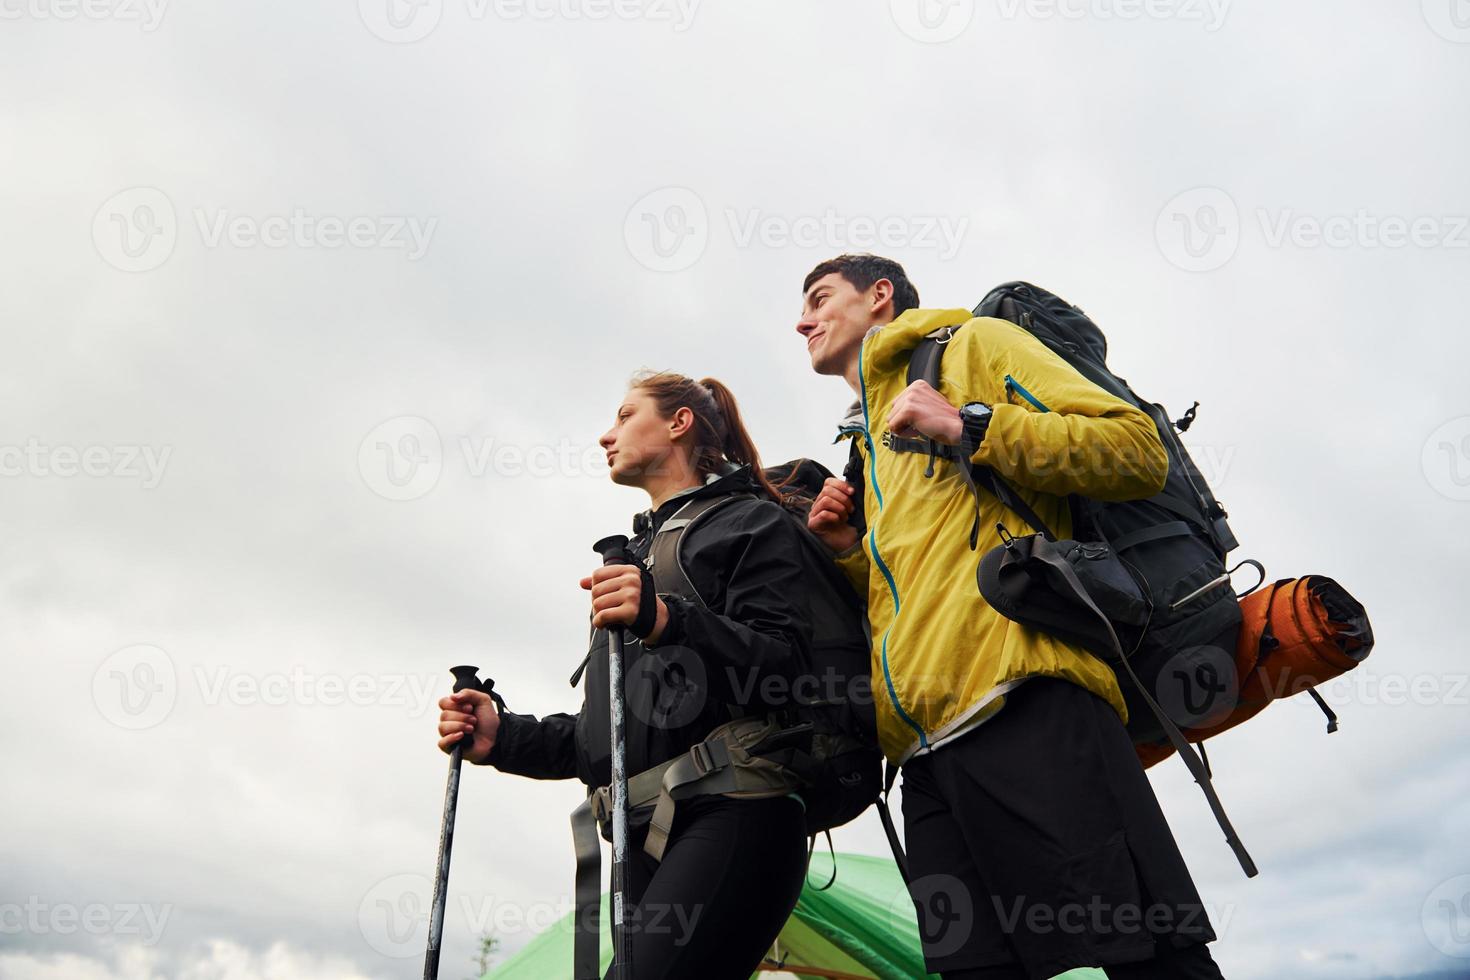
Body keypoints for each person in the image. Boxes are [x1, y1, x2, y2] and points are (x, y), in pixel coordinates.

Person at [796, 254, 1228, 980]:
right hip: (923, 754)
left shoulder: (972, 346)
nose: (802, 319)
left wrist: (970, 423)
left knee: (1147, 955)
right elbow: (914, 584)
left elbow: (1134, 450)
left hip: (1029, 695)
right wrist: (848, 553)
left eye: (819, 298)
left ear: (879, 296)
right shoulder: (863, 444)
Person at [436, 370, 862, 980]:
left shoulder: (750, 524)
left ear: (677, 423)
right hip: (643, 838)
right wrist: (502, 737)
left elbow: (784, 664)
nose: (605, 436)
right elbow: (609, 733)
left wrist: (668, 619)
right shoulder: (638, 558)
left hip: (739, 810)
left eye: (624, 416)